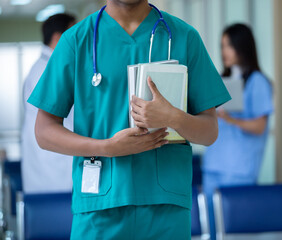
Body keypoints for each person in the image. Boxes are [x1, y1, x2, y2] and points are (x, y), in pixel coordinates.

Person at [27, 0, 231, 239]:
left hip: (166, 208)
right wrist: (107, 148)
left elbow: (209, 132)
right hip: (100, 207)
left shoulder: (184, 37)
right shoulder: (76, 40)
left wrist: (172, 117)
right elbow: (44, 131)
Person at [202, 23, 274, 240]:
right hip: (213, 166)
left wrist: (230, 118)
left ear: (243, 47)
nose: (224, 52)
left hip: (239, 170)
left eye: (229, 46)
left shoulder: (258, 82)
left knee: (235, 233)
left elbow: (260, 127)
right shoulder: (221, 81)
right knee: (211, 231)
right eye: (222, 46)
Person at [21, 13, 76, 193]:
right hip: (53, 166)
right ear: (58, 37)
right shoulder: (46, 70)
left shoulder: (44, 66)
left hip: (52, 163)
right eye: (73, 32)